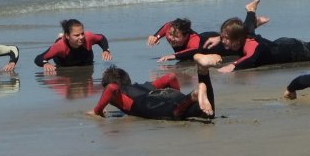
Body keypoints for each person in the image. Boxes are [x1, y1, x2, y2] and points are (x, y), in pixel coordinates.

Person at [87, 55, 218, 120]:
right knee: (206, 113)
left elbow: (110, 88)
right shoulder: (144, 86)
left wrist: (97, 110)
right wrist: (177, 96)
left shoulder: (118, 94)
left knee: (173, 114)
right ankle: (203, 71)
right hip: (170, 95)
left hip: (149, 102)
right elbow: (170, 77)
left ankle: (193, 94)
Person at [34, 19, 112, 74]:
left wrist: (106, 50)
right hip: (65, 63)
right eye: (77, 35)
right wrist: (45, 63)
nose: (81, 37)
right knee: (59, 41)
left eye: (82, 33)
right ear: (67, 36)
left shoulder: (88, 37)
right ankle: (60, 37)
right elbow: (39, 58)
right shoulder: (60, 46)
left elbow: (101, 38)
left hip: (86, 61)